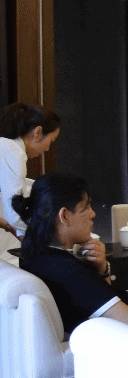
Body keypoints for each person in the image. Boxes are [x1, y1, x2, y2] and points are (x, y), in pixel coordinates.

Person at [13, 172, 128, 333]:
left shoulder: (35, 256)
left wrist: (102, 271)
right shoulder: (68, 270)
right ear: (64, 216)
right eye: (86, 207)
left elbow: (99, 301)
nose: (93, 214)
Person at [0, 103, 60, 266]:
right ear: (37, 132)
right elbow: (15, 212)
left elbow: (13, 216)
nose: (47, 149)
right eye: (51, 141)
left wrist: (14, 228)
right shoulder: (14, 153)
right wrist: (47, 236)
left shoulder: (6, 147)